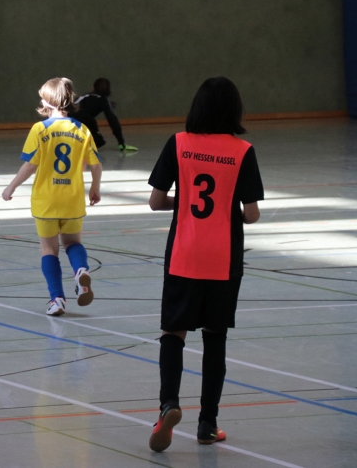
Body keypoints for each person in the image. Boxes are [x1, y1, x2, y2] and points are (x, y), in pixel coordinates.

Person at [146, 77, 263, 452]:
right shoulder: (242, 151)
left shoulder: (178, 143)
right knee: (215, 338)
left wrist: (180, 204)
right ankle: (207, 424)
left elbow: (156, 201)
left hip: (184, 253)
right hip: (223, 259)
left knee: (173, 333)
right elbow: (252, 214)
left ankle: (168, 405)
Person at [1, 78, 103, 316]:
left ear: (46, 101)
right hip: (72, 199)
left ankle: (57, 299)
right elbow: (96, 165)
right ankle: (81, 270)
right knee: (73, 243)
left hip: (46, 201)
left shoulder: (40, 129)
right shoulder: (82, 129)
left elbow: (30, 165)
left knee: (49, 249)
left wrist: (12, 186)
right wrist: (95, 188)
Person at [74, 78, 137, 152]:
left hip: (65, 120)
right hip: (84, 121)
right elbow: (113, 121)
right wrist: (121, 142)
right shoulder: (103, 101)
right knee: (99, 141)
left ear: (93, 88)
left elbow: (71, 105)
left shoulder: (85, 95)